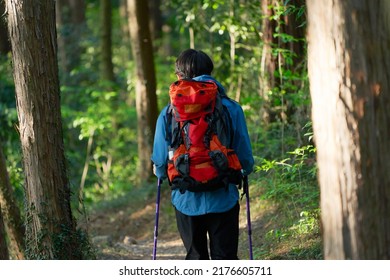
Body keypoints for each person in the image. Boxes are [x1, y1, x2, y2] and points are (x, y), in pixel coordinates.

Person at [151, 49, 254, 260]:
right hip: (223, 194)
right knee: (225, 258)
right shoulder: (231, 108)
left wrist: (161, 173)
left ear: (180, 76)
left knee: (196, 258)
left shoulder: (169, 112)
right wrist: (242, 170)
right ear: (210, 72)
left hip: (186, 197)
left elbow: (160, 162)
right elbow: (245, 158)